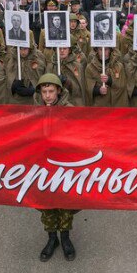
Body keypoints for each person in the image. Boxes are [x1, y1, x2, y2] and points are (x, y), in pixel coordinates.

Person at [32, 73, 79, 261]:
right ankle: (52, 238)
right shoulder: (34, 111)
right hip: (42, 166)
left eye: (51, 91)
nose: (48, 96)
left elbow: (77, 135)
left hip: (63, 164)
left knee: (64, 202)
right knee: (46, 203)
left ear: (58, 91)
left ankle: (65, 237)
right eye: (44, 92)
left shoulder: (69, 109)